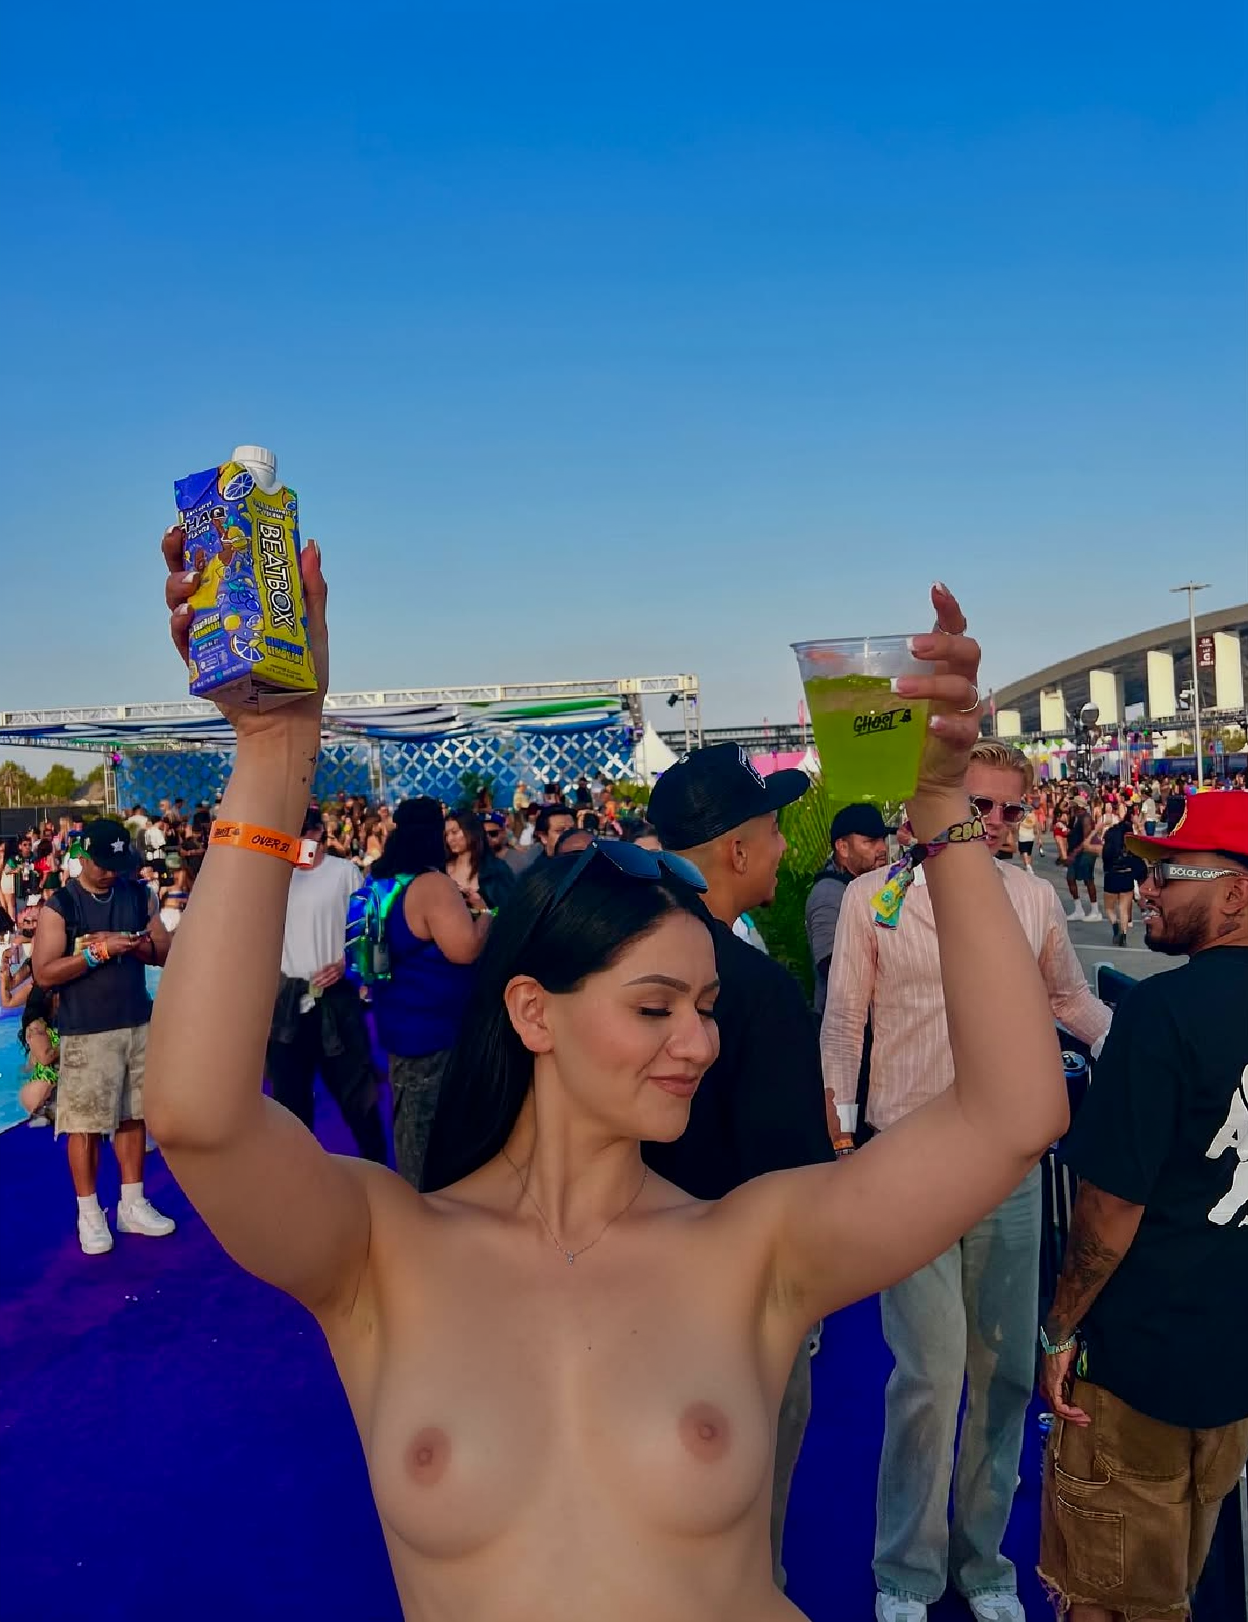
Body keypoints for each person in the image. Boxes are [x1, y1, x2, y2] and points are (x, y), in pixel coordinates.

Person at [148, 545, 1068, 1622]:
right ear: (533, 1011)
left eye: (706, 1007)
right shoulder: (382, 1251)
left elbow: (1013, 1114)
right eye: (654, 1007)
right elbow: (198, 1117)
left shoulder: (754, 1248)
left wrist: (944, 807)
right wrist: (271, 754)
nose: (699, 1042)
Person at [823, 739, 1111, 1622]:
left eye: (1007, 809)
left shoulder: (1031, 898)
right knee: (931, 1371)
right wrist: (844, 1138)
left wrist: (1149, 1047)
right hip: (906, 1157)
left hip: (1008, 1166)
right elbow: (845, 1021)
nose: (990, 822)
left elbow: (1069, 999)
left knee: (1006, 1371)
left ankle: (984, 1562)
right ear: (929, 807)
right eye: (975, 804)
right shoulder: (874, 900)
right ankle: (906, 1570)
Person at [1038, 791, 1248, 1622]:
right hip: (1229, 1370)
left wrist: (1059, 1331)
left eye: (1170, 872)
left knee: (1106, 1598)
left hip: (1134, 1374)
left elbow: (1107, 1211)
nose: (1147, 886)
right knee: (1180, 1582)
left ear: (1234, 894)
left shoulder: (1160, 1014)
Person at [646, 741, 839, 1587]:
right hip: (739, 1305)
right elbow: (793, 1179)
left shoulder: (612, 962)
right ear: (734, 850)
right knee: (745, 1540)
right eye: (772, 830)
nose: (783, 847)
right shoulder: (753, 991)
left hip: (621, 1289)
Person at [31, 817, 175, 1255]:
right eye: (104, 864)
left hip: (136, 1021)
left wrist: (130, 943)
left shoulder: (139, 894)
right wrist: (98, 952)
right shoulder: (62, 906)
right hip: (86, 1031)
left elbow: (164, 951)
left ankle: (132, 1202)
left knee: (133, 1115)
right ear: (83, 857)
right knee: (85, 1125)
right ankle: (89, 1213)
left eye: (119, 864)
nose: (113, 872)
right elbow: (44, 973)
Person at [370, 800, 490, 1188]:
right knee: (431, 1135)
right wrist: (485, 916)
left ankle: (422, 1201)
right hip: (436, 1028)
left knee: (411, 1124)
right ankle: (429, 1208)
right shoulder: (432, 885)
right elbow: (465, 949)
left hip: (397, 1020)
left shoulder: (381, 881)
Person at [266, 808, 387, 1164]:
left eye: (301, 831)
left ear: (318, 832)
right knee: (290, 1102)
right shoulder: (274, 878)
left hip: (337, 1002)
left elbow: (370, 930)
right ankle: (299, 1177)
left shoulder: (344, 872)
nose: (295, 839)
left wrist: (347, 965)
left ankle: (379, 1172)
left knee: (356, 1095)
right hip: (286, 1005)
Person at [804, 803, 892, 1020]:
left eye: (882, 839)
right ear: (843, 848)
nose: (882, 848)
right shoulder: (828, 894)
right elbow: (832, 967)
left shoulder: (870, 886)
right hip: (848, 1025)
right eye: (870, 842)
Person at [444, 807, 516, 911]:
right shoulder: (441, 870)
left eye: (454, 832)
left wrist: (485, 910)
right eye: (446, 834)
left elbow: (509, 913)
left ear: (472, 831)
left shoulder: (496, 870)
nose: (450, 839)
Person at [1098, 802, 1142, 948]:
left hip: (1112, 875)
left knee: (1109, 907)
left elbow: (1100, 851)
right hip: (1127, 874)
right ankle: (1123, 933)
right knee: (1124, 908)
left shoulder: (1109, 844)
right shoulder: (1130, 844)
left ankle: (1115, 926)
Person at [18, 983, 60, 1127]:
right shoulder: (36, 1026)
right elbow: (45, 1058)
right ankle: (43, 1111)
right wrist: (67, 1043)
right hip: (43, 1089)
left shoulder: (49, 1025)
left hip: (47, 1086)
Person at [1064, 794, 1102, 923]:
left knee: (1088, 879)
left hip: (1086, 852)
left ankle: (1095, 910)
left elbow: (1086, 839)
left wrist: (1074, 853)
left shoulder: (1085, 818)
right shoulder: (1076, 817)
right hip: (1077, 851)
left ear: (1078, 806)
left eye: (1073, 805)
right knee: (1070, 878)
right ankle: (1078, 910)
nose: (1071, 807)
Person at [1, 900, 40, 1010]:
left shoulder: (38, 940)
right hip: (42, 980)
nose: (26, 910)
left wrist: (4, 977)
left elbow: (7, 1002)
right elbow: (11, 986)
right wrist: (5, 971)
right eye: (26, 920)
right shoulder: (36, 942)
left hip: (43, 982)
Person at [483, 810, 529, 876]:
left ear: (504, 832)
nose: (487, 838)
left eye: (493, 833)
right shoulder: (475, 862)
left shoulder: (518, 861)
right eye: (482, 834)